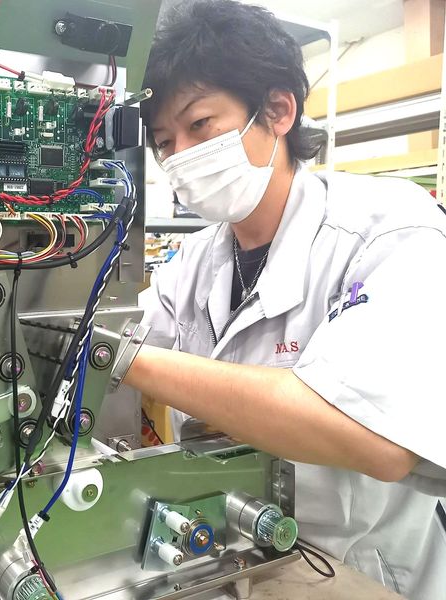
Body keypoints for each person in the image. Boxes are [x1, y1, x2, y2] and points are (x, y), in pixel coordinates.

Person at [123, 1, 446, 598]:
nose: (180, 156)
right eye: (165, 142)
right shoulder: (193, 260)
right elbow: (124, 342)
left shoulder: (391, 230)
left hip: (355, 570)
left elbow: (371, 438)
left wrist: (122, 360)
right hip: (227, 553)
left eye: (200, 125)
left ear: (277, 110)